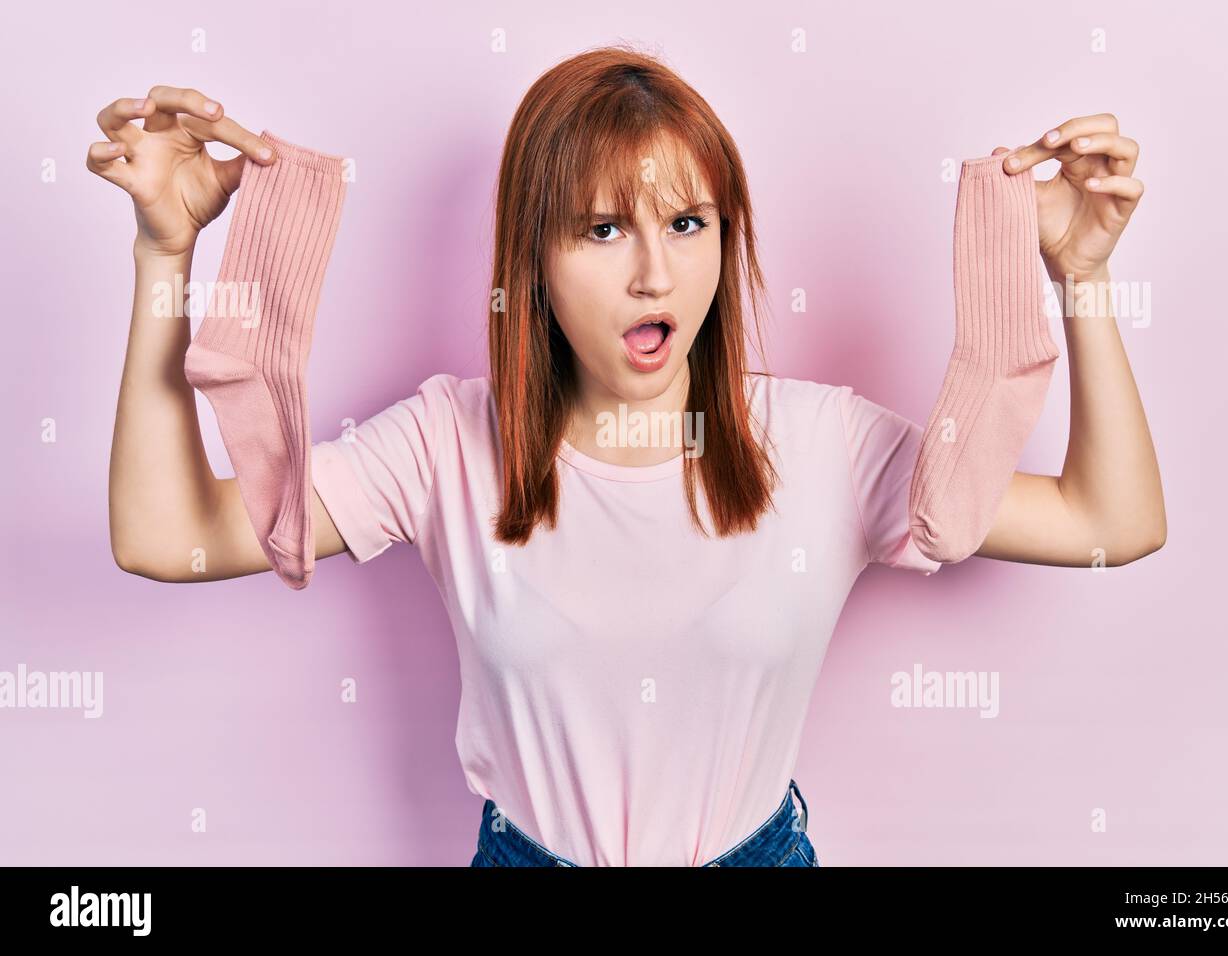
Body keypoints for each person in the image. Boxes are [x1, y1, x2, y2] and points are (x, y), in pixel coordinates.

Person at [93, 47, 1163, 866]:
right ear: (535, 260)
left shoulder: (820, 442)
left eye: (688, 223)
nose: (655, 272)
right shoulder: (443, 443)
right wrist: (164, 253)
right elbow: (166, 535)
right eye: (603, 229)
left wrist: (1079, 275)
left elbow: (1110, 522)